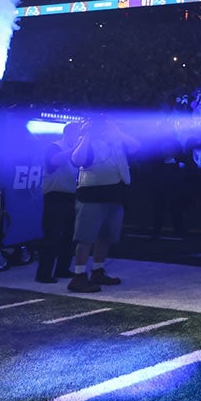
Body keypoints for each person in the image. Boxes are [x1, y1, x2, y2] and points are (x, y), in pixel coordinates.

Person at [68, 116, 139, 293]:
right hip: (92, 197)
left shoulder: (116, 141)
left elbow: (137, 146)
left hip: (115, 195)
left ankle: (98, 271)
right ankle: (78, 276)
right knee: (86, 238)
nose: (105, 128)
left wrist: (119, 133)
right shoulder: (86, 141)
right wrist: (86, 135)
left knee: (106, 237)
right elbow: (77, 160)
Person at [35, 121, 80, 284]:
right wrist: (73, 150)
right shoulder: (55, 146)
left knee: (69, 236)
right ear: (67, 133)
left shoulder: (76, 151)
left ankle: (62, 269)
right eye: (76, 133)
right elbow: (54, 161)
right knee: (52, 236)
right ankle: (43, 273)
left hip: (71, 196)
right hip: (55, 196)